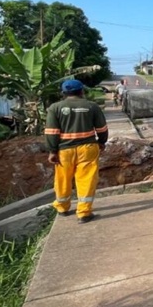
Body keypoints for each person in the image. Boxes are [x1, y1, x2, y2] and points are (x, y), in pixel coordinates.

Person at [45, 79, 108, 223]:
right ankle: (84, 213)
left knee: (62, 179)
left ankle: (62, 207)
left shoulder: (55, 108)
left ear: (63, 93)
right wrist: (102, 142)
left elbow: (51, 132)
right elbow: (102, 129)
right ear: (81, 91)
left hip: (64, 151)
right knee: (86, 179)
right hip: (88, 149)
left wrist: (52, 151)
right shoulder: (92, 106)